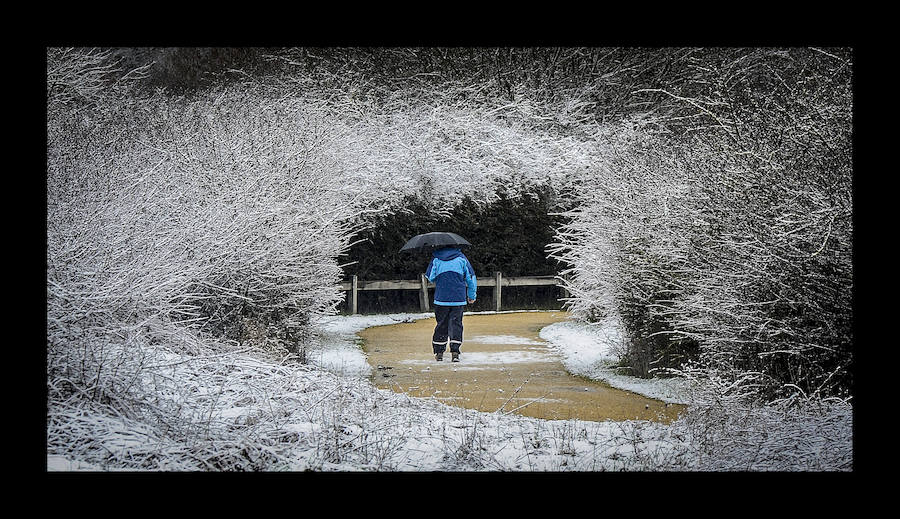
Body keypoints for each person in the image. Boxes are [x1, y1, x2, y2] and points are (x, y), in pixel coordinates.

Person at [425, 246, 477, 362]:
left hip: (441, 298)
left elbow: (430, 277)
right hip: (458, 298)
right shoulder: (462, 258)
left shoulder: (436, 259)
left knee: (441, 324)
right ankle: (455, 352)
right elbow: (471, 278)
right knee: (456, 324)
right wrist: (472, 295)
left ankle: (439, 352)